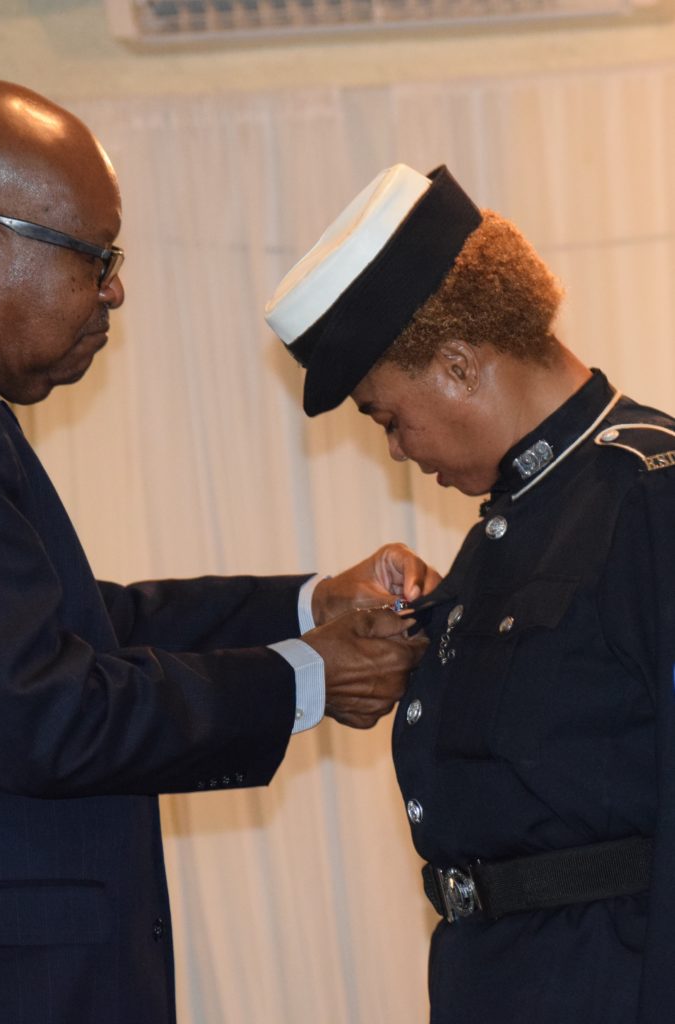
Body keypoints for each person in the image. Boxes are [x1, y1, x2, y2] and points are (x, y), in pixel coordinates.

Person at [0, 82, 435, 1024]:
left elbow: (73, 628)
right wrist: (304, 680)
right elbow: (36, 711)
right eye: (95, 257)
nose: (115, 289)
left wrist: (305, 605)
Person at [265, 162, 675, 1023]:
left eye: (386, 418)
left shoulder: (647, 498)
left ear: (456, 364)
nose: (397, 452)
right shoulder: (509, 528)